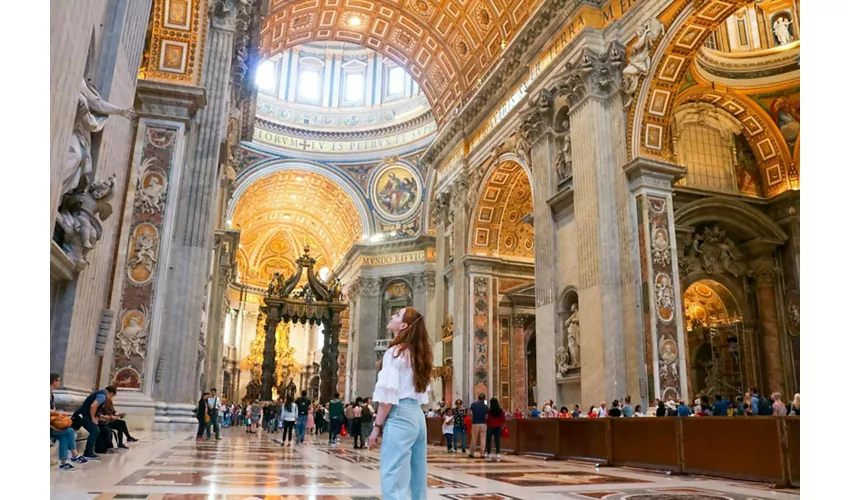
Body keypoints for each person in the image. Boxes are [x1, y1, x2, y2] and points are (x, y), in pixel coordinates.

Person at [368, 307, 433, 500]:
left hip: (401, 415)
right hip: (417, 417)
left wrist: (377, 426)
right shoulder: (417, 353)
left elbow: (388, 397)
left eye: (396, 315)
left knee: (393, 476)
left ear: (404, 325)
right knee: (417, 478)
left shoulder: (394, 352)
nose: (391, 316)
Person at [51, 373, 88, 470]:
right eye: (58, 380)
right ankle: (74, 455)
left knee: (66, 434)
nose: (60, 382)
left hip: (52, 423)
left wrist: (59, 414)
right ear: (53, 381)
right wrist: (57, 413)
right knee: (69, 431)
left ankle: (64, 462)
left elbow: (53, 410)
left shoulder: (51, 395)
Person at [73, 385, 118, 459]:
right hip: (83, 416)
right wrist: (93, 418)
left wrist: (97, 416)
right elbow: (93, 406)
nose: (110, 399)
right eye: (112, 397)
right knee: (95, 430)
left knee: (94, 430)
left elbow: (95, 408)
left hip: (82, 415)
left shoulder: (100, 394)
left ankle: (88, 452)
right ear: (111, 393)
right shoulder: (102, 396)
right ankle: (88, 453)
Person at [468, 393, 488, 459]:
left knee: (474, 438)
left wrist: (472, 419)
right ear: (484, 398)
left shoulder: (473, 404)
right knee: (483, 439)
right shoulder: (485, 406)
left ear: (478, 397)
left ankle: (472, 453)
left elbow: (469, 413)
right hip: (483, 423)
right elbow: (486, 417)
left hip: (475, 423)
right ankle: (482, 454)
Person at [485, 397, 505, 462]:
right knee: (497, 440)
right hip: (498, 426)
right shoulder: (500, 410)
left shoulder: (489, 410)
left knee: (488, 440)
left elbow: (487, 419)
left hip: (490, 426)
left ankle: (489, 453)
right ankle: (498, 453)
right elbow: (503, 419)